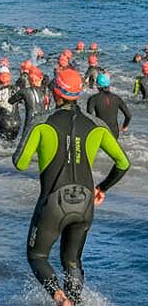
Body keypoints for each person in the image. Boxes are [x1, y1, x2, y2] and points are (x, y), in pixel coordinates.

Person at [13, 68, 129, 306]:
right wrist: (103, 187)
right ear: (79, 93)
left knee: (37, 256)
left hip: (53, 203)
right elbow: (124, 163)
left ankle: (58, 297)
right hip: (86, 202)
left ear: (55, 91)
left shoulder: (42, 122)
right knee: (72, 261)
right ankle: (74, 301)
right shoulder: (96, 125)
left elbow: (20, 162)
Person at [10, 68, 52, 139]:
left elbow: (11, 101)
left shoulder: (25, 91)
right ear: (41, 78)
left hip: (30, 125)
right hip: (46, 124)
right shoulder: (48, 91)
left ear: (29, 80)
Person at [85, 74, 131, 139]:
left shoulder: (93, 99)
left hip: (100, 131)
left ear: (98, 85)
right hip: (114, 132)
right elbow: (128, 115)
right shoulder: (117, 98)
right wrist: (125, 126)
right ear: (109, 85)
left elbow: (89, 116)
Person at [0, 68, 22, 141]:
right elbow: (20, 101)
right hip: (17, 122)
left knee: (2, 144)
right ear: (10, 77)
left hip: (4, 121)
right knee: (12, 143)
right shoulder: (16, 88)